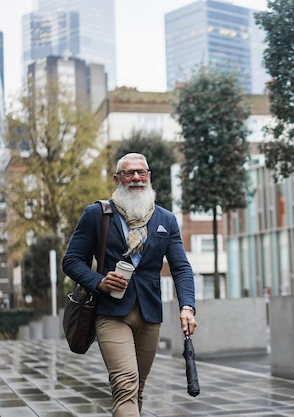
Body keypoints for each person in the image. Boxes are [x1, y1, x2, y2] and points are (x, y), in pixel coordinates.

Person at [63, 152, 197, 416]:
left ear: (149, 176)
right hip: (110, 313)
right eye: (128, 173)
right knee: (125, 385)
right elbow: (71, 261)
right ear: (117, 179)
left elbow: (181, 268)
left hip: (150, 315)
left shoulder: (166, 220)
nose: (136, 177)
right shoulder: (96, 215)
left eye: (141, 172)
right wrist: (98, 281)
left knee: (138, 389)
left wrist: (187, 306)